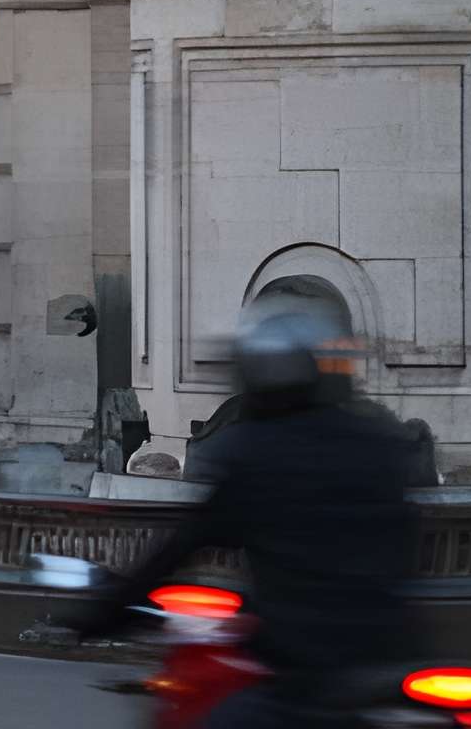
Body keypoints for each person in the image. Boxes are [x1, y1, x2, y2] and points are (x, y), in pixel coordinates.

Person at [74, 304, 419, 727]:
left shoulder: (254, 452)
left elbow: (181, 547)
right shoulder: (377, 442)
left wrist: (106, 613)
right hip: (396, 654)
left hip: (305, 670)